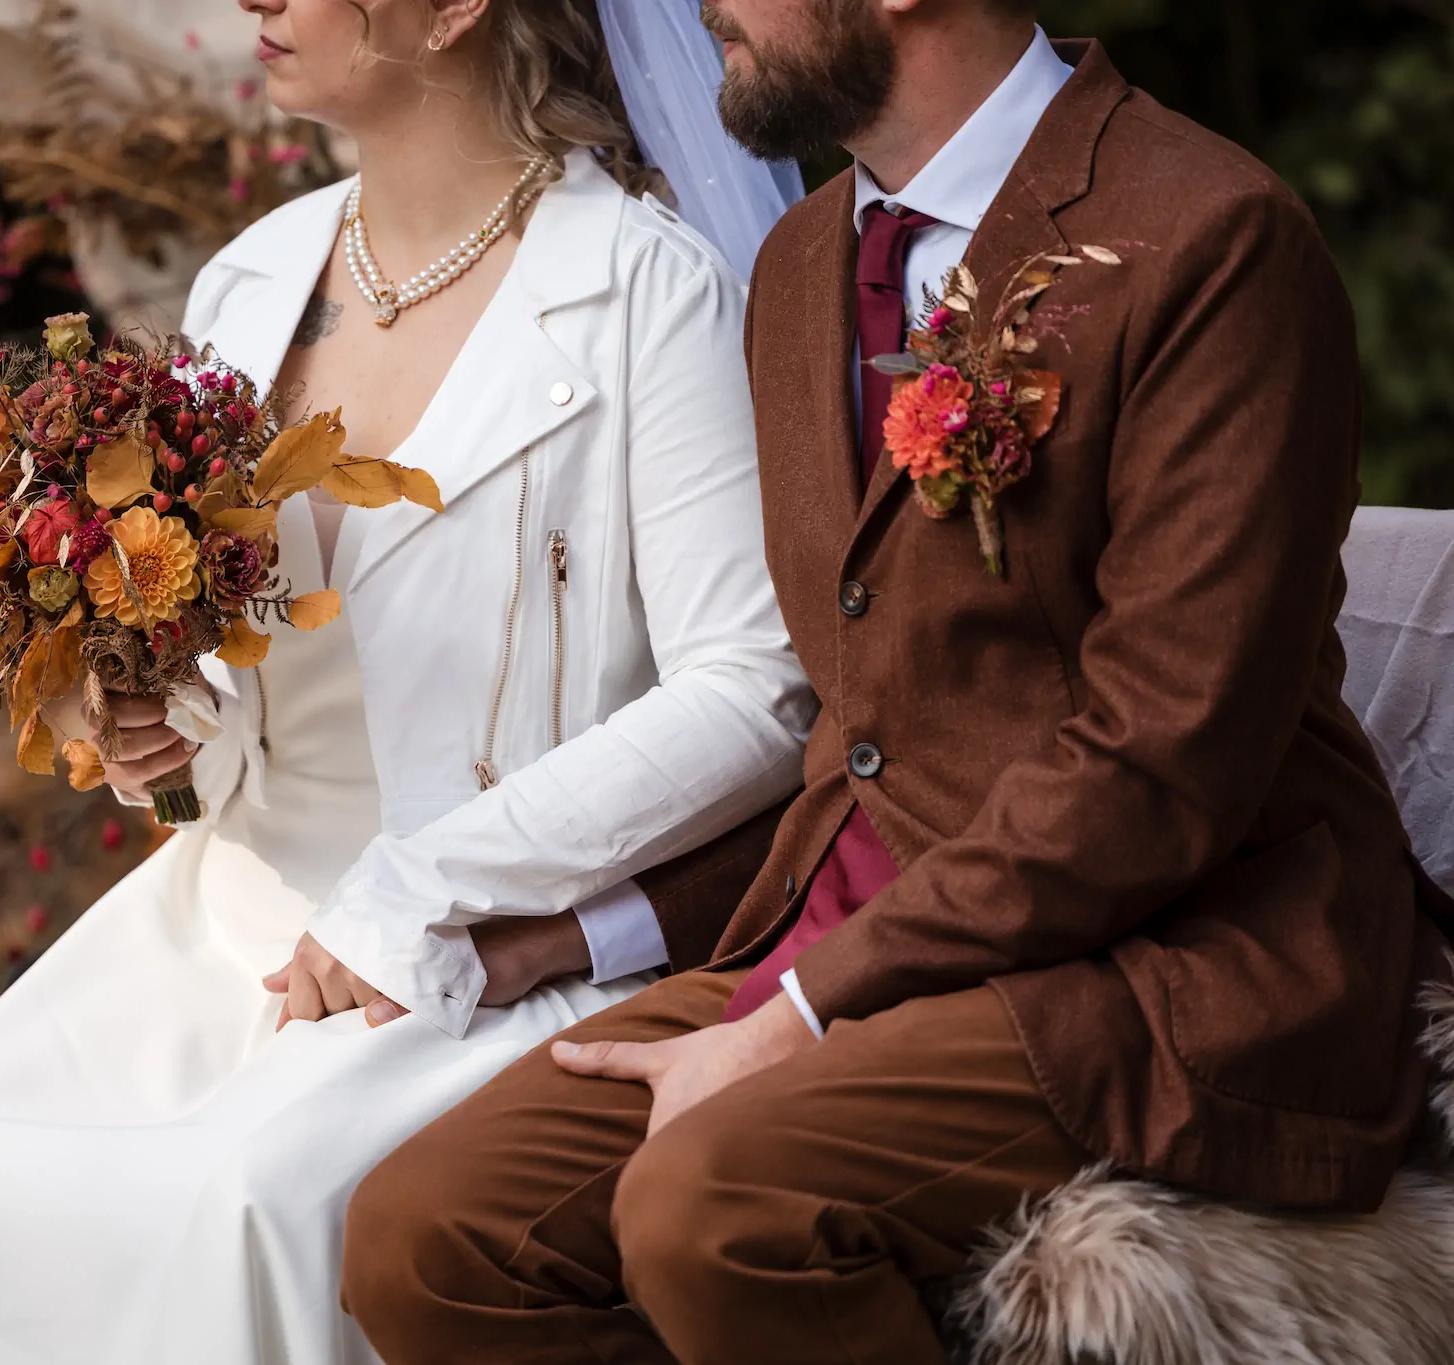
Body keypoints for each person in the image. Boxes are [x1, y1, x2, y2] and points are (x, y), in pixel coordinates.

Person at [341, 1, 1454, 1363]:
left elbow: (1166, 757)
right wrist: (592, 932)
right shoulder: (805, 260)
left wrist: (806, 1014)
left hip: (1169, 962)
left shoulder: (1216, 239)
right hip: (866, 932)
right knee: (424, 1237)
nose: (698, 10)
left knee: (715, 1206)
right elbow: (859, 733)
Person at [0, 1, 817, 1361]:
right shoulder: (252, 279)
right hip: (218, 924)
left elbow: (755, 689)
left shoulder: (646, 289)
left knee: (234, 1211)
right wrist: (162, 714)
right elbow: (248, 656)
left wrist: (428, 890)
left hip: (473, 955)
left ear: (456, 10)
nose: (255, 3)